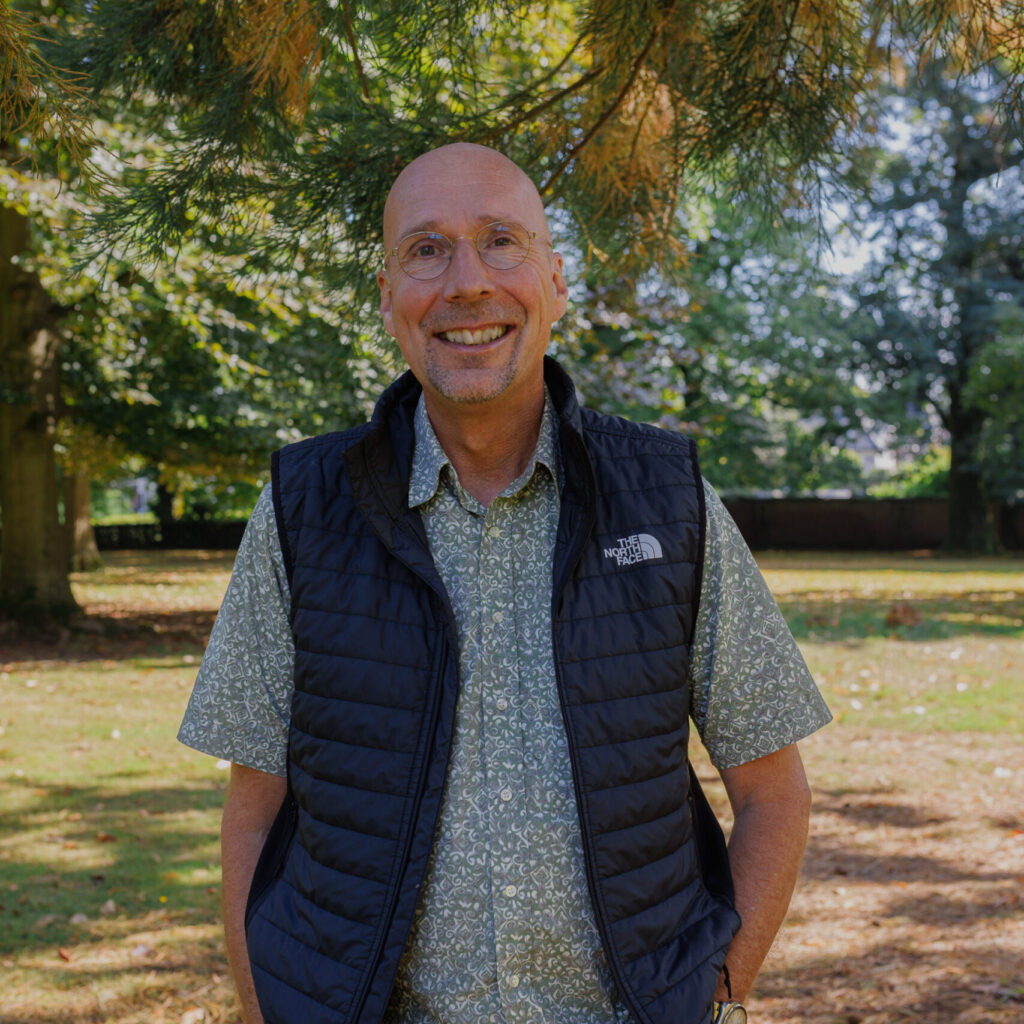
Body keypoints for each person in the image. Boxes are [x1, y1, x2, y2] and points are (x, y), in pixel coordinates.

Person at [179, 142, 831, 1024]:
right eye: (426, 250)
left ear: (555, 282)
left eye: (500, 241)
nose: (468, 282)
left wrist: (718, 993)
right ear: (387, 298)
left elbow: (773, 790)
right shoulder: (304, 508)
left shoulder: (669, 499)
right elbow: (253, 813)